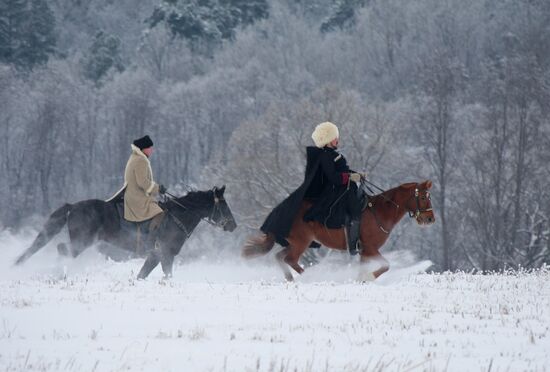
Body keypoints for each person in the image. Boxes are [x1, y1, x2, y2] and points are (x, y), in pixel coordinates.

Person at [260, 122, 366, 255]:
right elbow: (334, 177)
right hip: (335, 192)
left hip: (344, 189)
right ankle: (353, 243)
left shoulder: (332, 154)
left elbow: (342, 171)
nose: (337, 139)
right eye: (335, 137)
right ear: (327, 139)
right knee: (355, 209)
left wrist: (356, 175)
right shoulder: (325, 156)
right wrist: (350, 177)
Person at [108, 135, 167, 254]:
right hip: (137, 199)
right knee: (160, 213)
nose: (152, 150)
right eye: (150, 148)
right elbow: (143, 182)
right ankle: (151, 245)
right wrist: (158, 188)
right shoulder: (141, 160)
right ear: (144, 148)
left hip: (134, 196)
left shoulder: (134, 157)